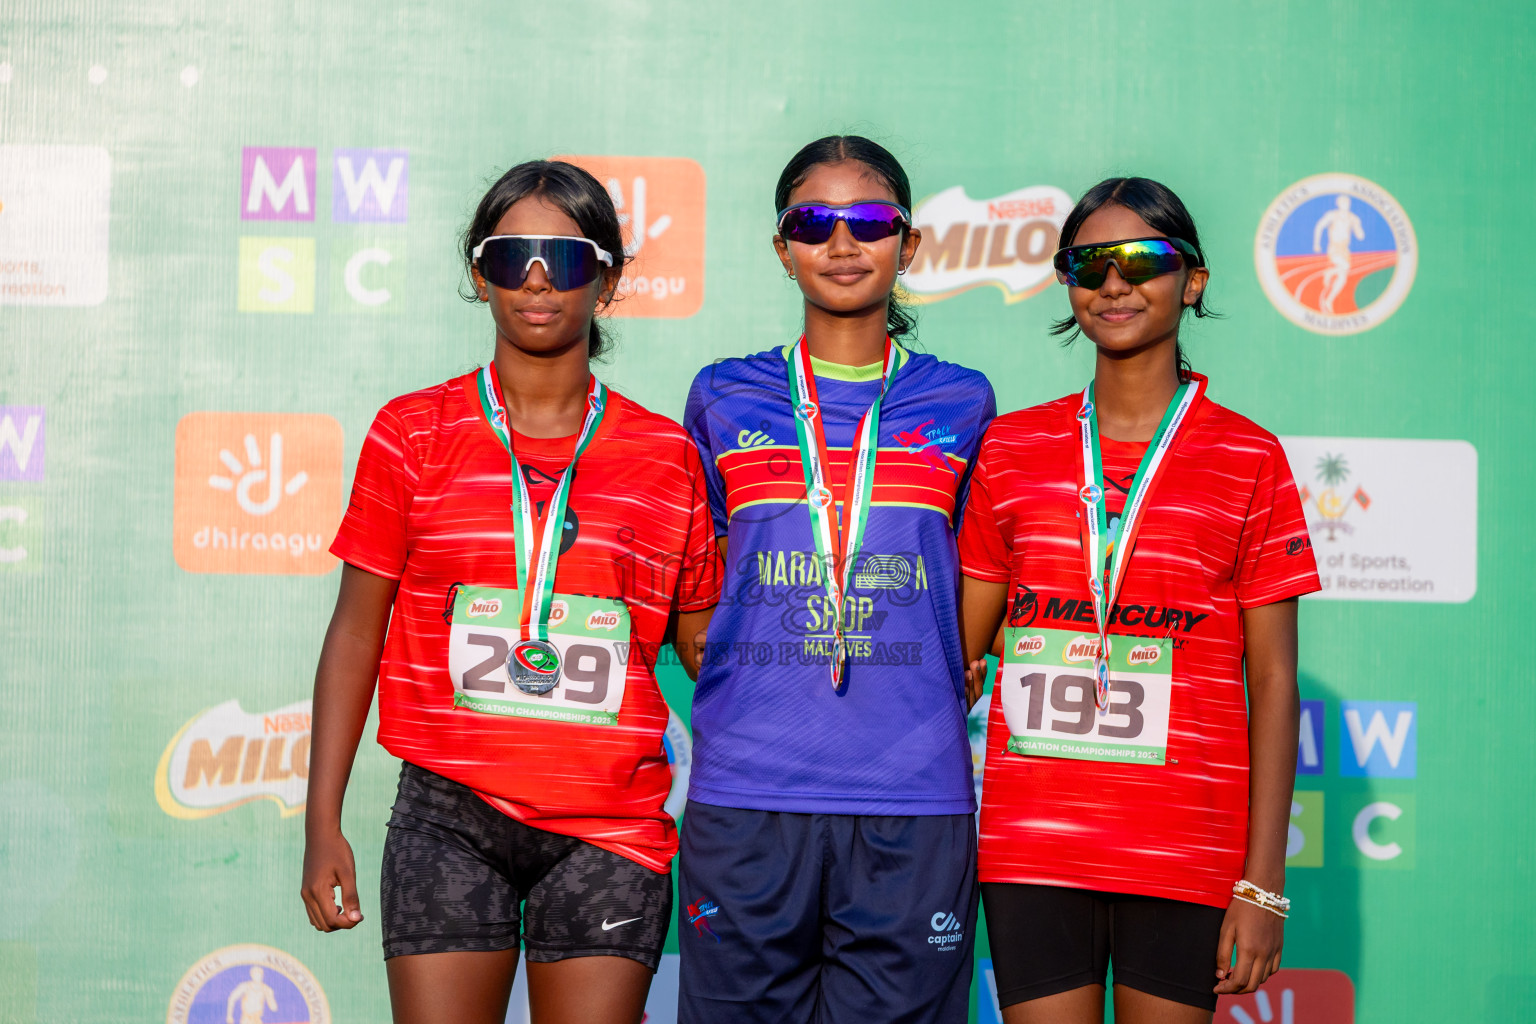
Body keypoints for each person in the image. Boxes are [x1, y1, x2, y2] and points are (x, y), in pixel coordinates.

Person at [299, 159, 722, 1024]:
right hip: (448, 814)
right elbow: (354, 634)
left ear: (606, 280)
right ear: (477, 272)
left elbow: (708, 649)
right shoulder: (411, 434)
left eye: (565, 260)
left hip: (610, 826)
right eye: (509, 256)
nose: (536, 281)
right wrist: (320, 823)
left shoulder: (668, 456)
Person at [957, 177, 1320, 1024]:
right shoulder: (1010, 448)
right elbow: (960, 660)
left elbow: (1273, 684)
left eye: (1142, 260)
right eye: (1088, 265)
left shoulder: (1250, 458)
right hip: (1033, 845)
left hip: (1185, 846)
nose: (1114, 284)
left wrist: (1262, 884)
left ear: (1192, 280)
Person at [678, 136, 996, 1023]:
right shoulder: (723, 394)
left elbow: (981, 573)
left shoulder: (964, 401)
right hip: (748, 791)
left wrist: (948, 658)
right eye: (814, 222)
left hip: (915, 791)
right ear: (782, 248)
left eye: (871, 222)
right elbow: (697, 578)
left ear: (912, 244)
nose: (843, 243)